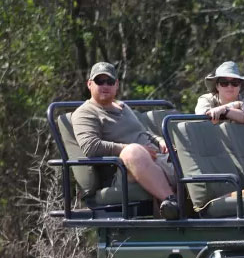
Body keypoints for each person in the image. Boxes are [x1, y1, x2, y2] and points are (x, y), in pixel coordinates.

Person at [71, 62, 179, 219]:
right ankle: (171, 202)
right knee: (133, 152)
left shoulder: (123, 107)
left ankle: (215, 200)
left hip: (154, 158)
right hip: (121, 170)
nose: (105, 86)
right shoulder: (85, 113)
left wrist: (160, 141)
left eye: (110, 82)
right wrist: (128, 148)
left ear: (116, 85)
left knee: (187, 147)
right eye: (100, 81)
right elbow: (91, 146)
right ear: (89, 84)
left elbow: (143, 132)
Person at [194, 61, 244, 125]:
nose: (229, 86)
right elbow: (202, 116)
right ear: (217, 86)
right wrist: (236, 104)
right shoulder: (206, 99)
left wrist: (224, 110)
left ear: (239, 86)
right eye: (224, 83)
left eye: (235, 83)